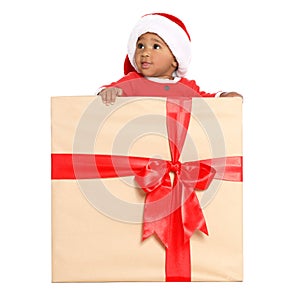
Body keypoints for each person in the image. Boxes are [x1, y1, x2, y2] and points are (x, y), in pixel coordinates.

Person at [98, 13, 242, 105]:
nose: (145, 53)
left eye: (155, 47)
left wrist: (223, 97)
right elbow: (106, 92)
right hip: (140, 146)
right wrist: (108, 92)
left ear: (175, 59)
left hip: (173, 146)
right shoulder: (133, 81)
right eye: (140, 46)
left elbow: (205, 102)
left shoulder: (186, 87)